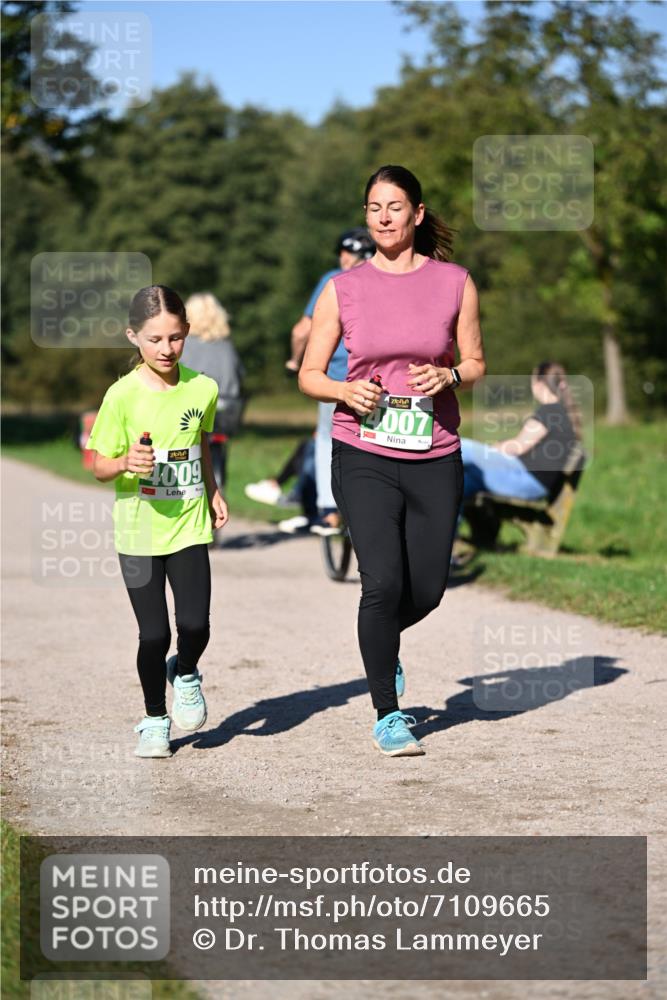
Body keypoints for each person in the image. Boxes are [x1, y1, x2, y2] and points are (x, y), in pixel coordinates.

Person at [299, 165, 486, 757]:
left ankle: (382, 646)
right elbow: (309, 373)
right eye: (374, 207)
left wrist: (451, 374)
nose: (383, 217)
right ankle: (388, 712)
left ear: (417, 214)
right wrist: (343, 391)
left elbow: (477, 362)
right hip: (363, 450)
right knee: (382, 582)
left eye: (395, 206)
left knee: (426, 589)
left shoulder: (455, 282)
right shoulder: (342, 288)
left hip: (434, 450)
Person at [88, 285, 228, 758]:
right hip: (138, 530)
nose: (166, 349)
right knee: (154, 633)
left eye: (174, 338)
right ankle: (154, 720)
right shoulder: (121, 396)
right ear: (133, 337)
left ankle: (186, 671)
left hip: (189, 524)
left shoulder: (202, 388)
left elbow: (201, 444)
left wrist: (213, 490)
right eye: (154, 340)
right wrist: (127, 461)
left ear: (187, 332)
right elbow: (98, 464)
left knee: (195, 626)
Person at [288, 228, 376, 535]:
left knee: (327, 438)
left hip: (336, 378)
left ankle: (329, 510)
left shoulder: (333, 280)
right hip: (377, 377)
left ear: (344, 255)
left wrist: (295, 360)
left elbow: (302, 331)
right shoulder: (384, 279)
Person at [461, 361, 583, 502]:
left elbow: (518, 447)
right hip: (532, 483)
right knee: (463, 482)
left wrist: (491, 450)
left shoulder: (550, 411)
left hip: (526, 481)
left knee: (462, 447)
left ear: (538, 384)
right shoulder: (561, 413)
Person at [180, 293, 244, 494]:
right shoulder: (227, 346)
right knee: (216, 452)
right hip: (227, 410)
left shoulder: (184, 345)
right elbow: (240, 375)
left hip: (193, 409)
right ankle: (218, 491)